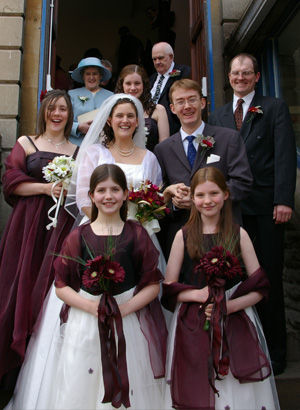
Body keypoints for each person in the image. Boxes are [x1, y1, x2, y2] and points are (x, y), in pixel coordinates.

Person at [6, 164, 167, 409]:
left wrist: (124, 309)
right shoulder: (78, 236)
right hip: (85, 323)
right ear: (91, 195)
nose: (108, 196)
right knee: (80, 380)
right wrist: (92, 307)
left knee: (129, 378)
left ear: (125, 194)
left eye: (115, 189)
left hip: (127, 321)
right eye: (101, 190)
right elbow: (61, 286)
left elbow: (152, 285)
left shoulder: (136, 234)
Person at [162, 166, 280, 410]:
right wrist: (198, 295)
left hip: (235, 321)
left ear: (226, 194)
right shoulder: (182, 236)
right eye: (201, 195)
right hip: (193, 322)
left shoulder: (239, 234)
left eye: (214, 194)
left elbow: (261, 287)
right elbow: (169, 288)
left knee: (236, 391)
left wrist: (229, 305)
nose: (208, 201)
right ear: (192, 198)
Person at [209, 53, 297, 375]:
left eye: (247, 73)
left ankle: (275, 354)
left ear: (257, 77)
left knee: (266, 277)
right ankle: (239, 348)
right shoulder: (217, 115)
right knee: (234, 279)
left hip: (265, 209)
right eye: (236, 73)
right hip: (229, 211)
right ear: (229, 77)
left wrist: (283, 199)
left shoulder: (274, 108)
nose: (241, 77)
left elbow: (285, 154)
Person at [0, 90, 79, 388]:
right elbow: (11, 181)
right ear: (44, 111)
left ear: (69, 114)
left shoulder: (77, 150)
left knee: (48, 289)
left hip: (61, 229)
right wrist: (46, 189)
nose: (57, 114)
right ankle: (10, 372)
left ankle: (40, 374)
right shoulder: (26, 142)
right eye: (52, 108)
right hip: (26, 227)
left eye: (63, 109)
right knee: (18, 284)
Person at [154, 78, 253, 257]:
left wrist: (203, 198)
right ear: (172, 109)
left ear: (202, 103)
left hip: (224, 233)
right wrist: (174, 203)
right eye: (180, 102)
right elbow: (160, 196)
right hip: (182, 240)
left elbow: (243, 183)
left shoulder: (229, 139)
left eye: (192, 99)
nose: (187, 106)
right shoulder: (163, 149)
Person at [115, 64, 169, 151]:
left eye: (137, 83)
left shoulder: (158, 110)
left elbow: (164, 147)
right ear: (122, 85)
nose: (133, 88)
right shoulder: (114, 111)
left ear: (144, 85)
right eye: (128, 83)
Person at [68, 57, 113, 146]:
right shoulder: (72, 94)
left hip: (102, 145)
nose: (91, 77)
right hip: (77, 145)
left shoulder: (111, 96)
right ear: (83, 76)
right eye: (88, 74)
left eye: (95, 74)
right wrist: (78, 127)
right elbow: (64, 121)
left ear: (101, 76)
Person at [149, 42, 191, 135]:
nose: (157, 62)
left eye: (160, 58)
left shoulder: (184, 72)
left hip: (175, 131)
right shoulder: (151, 79)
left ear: (171, 57)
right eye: (154, 59)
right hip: (152, 131)